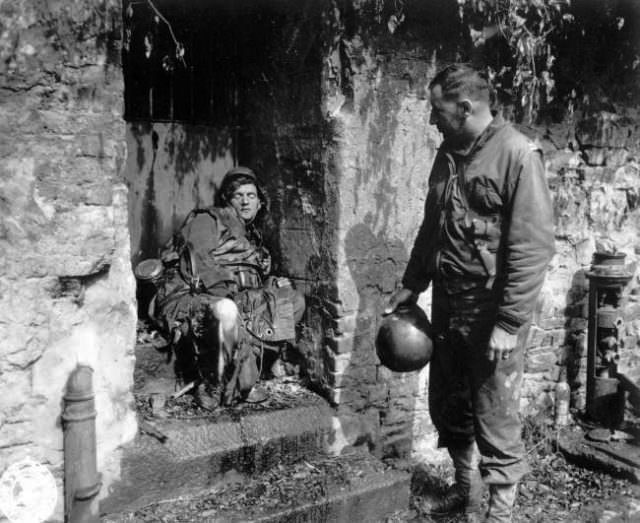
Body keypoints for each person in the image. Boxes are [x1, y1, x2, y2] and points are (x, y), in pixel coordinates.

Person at [384, 64, 555, 522]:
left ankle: (498, 515)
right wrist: (411, 284)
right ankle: (466, 492)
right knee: (449, 404)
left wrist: (508, 323)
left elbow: (532, 249)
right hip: (448, 307)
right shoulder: (448, 155)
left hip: (490, 313)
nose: (431, 119)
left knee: (494, 415)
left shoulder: (518, 155)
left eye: (437, 110)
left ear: (464, 108)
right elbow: (431, 227)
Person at [147, 166, 305, 408]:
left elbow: (252, 281)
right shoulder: (208, 219)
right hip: (196, 295)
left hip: (237, 300)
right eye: (238, 195)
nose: (245, 201)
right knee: (226, 310)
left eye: (251, 196)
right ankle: (216, 382)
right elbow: (198, 263)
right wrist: (237, 298)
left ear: (260, 203)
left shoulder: (253, 239)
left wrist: (272, 285)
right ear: (227, 199)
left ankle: (248, 367)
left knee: (292, 301)